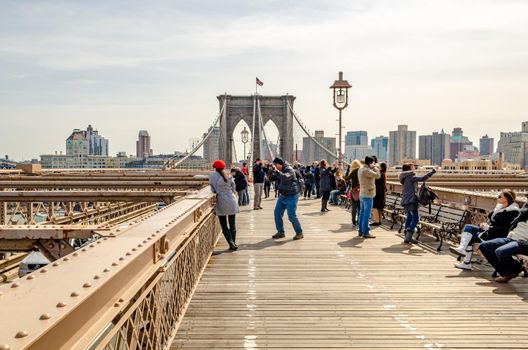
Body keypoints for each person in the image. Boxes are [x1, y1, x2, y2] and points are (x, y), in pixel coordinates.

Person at [452, 190, 519, 270]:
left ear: (506, 198)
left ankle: (466, 262)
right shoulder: (500, 207)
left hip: (497, 235)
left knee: (470, 237)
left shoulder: (513, 211)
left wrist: (488, 227)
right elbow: (492, 221)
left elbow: (506, 229)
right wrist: (484, 225)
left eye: (500, 196)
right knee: (468, 227)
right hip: (489, 230)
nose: (497, 197)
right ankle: (462, 249)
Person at [479, 204, 528, 283]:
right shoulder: (524, 213)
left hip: (523, 242)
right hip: (511, 237)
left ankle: (516, 269)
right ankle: (507, 272)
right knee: (484, 246)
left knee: (500, 251)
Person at [399, 163, 436, 244]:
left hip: (406, 200)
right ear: (409, 169)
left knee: (409, 217)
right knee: (416, 218)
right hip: (411, 200)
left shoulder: (405, 177)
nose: (414, 168)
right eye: (412, 167)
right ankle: (409, 236)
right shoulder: (410, 176)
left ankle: (406, 237)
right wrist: (432, 172)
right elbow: (423, 178)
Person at [271, 157, 304, 240]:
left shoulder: (289, 170)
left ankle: (299, 233)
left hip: (292, 195)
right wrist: (271, 172)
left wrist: (277, 171)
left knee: (291, 216)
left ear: (279, 164)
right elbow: (271, 179)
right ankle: (280, 232)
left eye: (275, 165)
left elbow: (285, 178)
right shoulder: (279, 170)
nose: (274, 166)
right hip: (283, 195)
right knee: (277, 213)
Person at [210, 160, 239, 251]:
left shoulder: (213, 176)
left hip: (221, 201)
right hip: (232, 200)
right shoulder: (229, 175)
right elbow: (233, 188)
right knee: (232, 224)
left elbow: (213, 189)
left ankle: (231, 243)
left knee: (224, 225)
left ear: (215, 168)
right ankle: (233, 244)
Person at [357, 156, 381, 238]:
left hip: (362, 194)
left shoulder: (360, 169)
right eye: (373, 163)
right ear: (370, 163)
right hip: (368, 194)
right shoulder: (366, 170)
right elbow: (378, 175)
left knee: (362, 213)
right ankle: (366, 232)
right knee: (366, 215)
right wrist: (375, 168)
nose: (374, 164)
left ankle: (360, 230)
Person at [345, 160, 362, 228]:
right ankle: (359, 220)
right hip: (361, 190)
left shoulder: (353, 172)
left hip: (354, 191)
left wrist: (347, 171)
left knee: (354, 207)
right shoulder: (361, 170)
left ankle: (353, 221)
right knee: (360, 207)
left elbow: (346, 178)